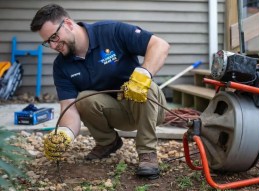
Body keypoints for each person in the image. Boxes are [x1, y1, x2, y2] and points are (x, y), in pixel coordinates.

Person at [30, 4, 169, 179]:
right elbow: (69, 108)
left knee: (146, 85)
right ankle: (108, 142)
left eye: (54, 37)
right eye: (47, 42)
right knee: (81, 99)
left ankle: (147, 153)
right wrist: (63, 135)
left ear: (68, 24)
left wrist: (144, 73)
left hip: (148, 107)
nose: (53, 45)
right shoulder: (61, 66)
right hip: (116, 113)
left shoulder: (111, 32)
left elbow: (160, 45)